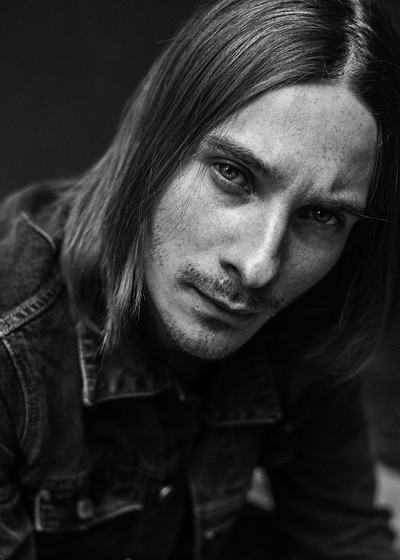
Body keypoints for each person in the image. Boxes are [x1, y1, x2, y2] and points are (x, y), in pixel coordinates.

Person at [1, 0, 400, 558]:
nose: (259, 267)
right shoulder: (12, 343)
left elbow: (345, 535)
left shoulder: (308, 318)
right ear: (154, 141)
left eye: (320, 215)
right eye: (233, 175)